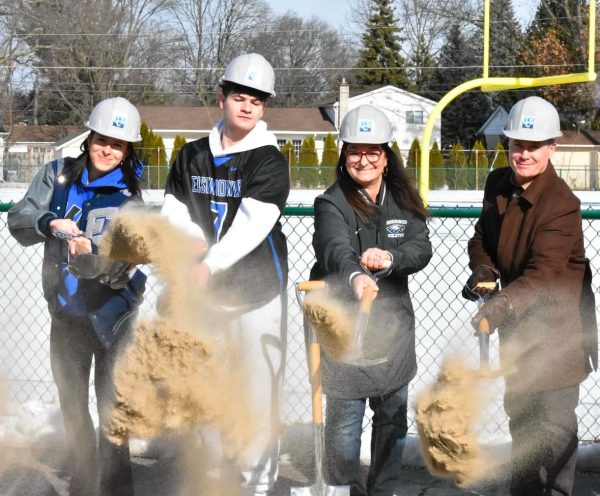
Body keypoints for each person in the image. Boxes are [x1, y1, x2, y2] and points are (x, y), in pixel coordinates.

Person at [160, 52, 289, 495]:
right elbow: (172, 210)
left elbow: (252, 226)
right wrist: (189, 240)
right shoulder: (192, 154)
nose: (248, 106)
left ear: (264, 107)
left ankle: (258, 484)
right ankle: (213, 480)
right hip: (206, 297)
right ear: (222, 98)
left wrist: (208, 265)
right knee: (208, 390)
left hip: (255, 293)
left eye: (257, 100)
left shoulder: (269, 159)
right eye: (240, 96)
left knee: (256, 392)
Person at [8, 96, 146, 496]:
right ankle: (85, 485)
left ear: (127, 149)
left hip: (114, 318)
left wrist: (104, 263)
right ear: (89, 138)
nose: (108, 149)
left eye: (118, 144)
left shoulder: (130, 194)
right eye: (102, 139)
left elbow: (132, 258)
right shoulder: (58, 176)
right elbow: (19, 219)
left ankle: (118, 489)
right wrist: (50, 223)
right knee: (73, 409)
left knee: (113, 413)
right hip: (66, 314)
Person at [463, 95, 597, 496]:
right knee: (521, 419)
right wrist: (485, 271)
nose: (523, 153)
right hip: (518, 327)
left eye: (534, 145)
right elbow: (482, 237)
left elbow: (544, 275)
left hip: (558, 331)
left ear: (552, 148)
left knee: (554, 427)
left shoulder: (562, 206)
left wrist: (500, 303)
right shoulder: (498, 183)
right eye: (517, 144)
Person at [310, 104, 432, 495]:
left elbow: (420, 247)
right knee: (344, 428)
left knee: (392, 424)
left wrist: (392, 258)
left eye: (372, 151)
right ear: (344, 155)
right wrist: (356, 276)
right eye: (354, 151)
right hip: (346, 333)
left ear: (385, 155)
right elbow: (333, 248)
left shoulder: (402, 199)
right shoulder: (332, 203)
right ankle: (341, 488)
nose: (363, 160)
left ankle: (383, 490)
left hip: (393, 333)